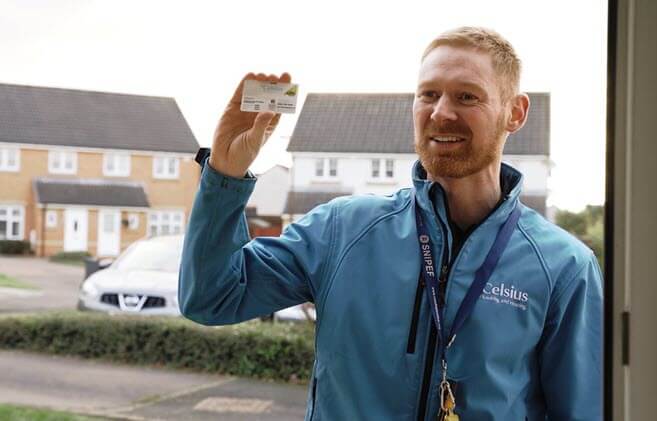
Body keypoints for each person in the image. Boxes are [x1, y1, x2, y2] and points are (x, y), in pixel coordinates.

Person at [179, 26, 603, 421]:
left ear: (515, 112)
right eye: (428, 94)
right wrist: (225, 174)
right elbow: (212, 297)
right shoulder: (341, 230)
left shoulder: (564, 268)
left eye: (467, 97)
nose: (441, 113)